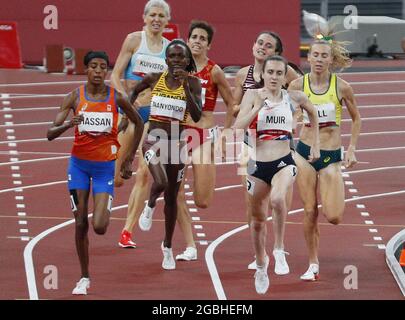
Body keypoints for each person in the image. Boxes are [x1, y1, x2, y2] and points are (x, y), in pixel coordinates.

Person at [137, 20, 235, 262]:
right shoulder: (173, 66)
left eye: (203, 38)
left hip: (202, 135)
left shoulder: (214, 71)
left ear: (209, 45)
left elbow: (232, 103)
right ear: (187, 41)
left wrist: (226, 135)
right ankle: (189, 245)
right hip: (176, 135)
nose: (197, 41)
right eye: (194, 37)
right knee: (175, 191)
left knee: (202, 200)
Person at [47, 51, 144, 295]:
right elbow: (50, 133)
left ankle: (103, 209)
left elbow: (139, 123)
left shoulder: (116, 98)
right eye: (93, 66)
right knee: (80, 222)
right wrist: (70, 123)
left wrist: (129, 158)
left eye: (103, 67)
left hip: (104, 169)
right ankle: (84, 276)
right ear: (86, 69)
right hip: (78, 166)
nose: (99, 71)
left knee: (99, 226)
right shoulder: (73, 97)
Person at [233, 55, 320, 294]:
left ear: (285, 77)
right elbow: (237, 127)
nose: (274, 76)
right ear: (263, 75)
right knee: (257, 222)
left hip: (283, 162)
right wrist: (257, 109)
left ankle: (279, 249)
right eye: (270, 72)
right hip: (257, 165)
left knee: (279, 199)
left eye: (278, 73)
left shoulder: (293, 98)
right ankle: (261, 264)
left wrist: (315, 144)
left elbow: (313, 112)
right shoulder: (253, 95)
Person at [288, 34, 361, 281]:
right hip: (305, 153)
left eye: (324, 55)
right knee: (309, 211)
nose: (319, 59)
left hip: (330, 155)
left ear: (331, 59)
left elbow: (357, 118)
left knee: (334, 216)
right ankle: (313, 263)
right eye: (315, 55)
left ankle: (335, 198)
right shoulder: (297, 86)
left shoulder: (341, 87)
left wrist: (351, 149)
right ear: (308, 58)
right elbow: (286, 115)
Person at [232, 31, 301, 271]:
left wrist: (294, 117)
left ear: (277, 54)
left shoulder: (286, 73)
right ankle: (259, 251)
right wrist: (249, 108)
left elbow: (298, 97)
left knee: (279, 198)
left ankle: (280, 247)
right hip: (251, 145)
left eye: (268, 45)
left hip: (280, 143)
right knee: (253, 202)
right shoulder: (243, 75)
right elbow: (233, 108)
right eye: (259, 42)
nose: (262, 47)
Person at [130, 40, 202, 270]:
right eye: (172, 56)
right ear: (166, 59)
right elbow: (134, 91)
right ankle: (150, 204)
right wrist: (128, 116)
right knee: (159, 181)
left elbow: (197, 116)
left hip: (176, 144)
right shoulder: (154, 78)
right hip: (153, 139)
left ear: (188, 60)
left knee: (172, 198)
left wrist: (187, 89)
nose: (176, 61)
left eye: (181, 57)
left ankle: (167, 246)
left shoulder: (193, 83)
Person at [110, 0, 171, 248]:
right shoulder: (134, 40)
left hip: (154, 114)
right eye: (153, 15)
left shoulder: (170, 49)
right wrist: (125, 100)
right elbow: (115, 74)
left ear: (167, 21)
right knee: (118, 177)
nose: (157, 19)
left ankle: (127, 231)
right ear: (145, 17)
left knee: (145, 174)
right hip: (130, 112)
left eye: (161, 16)